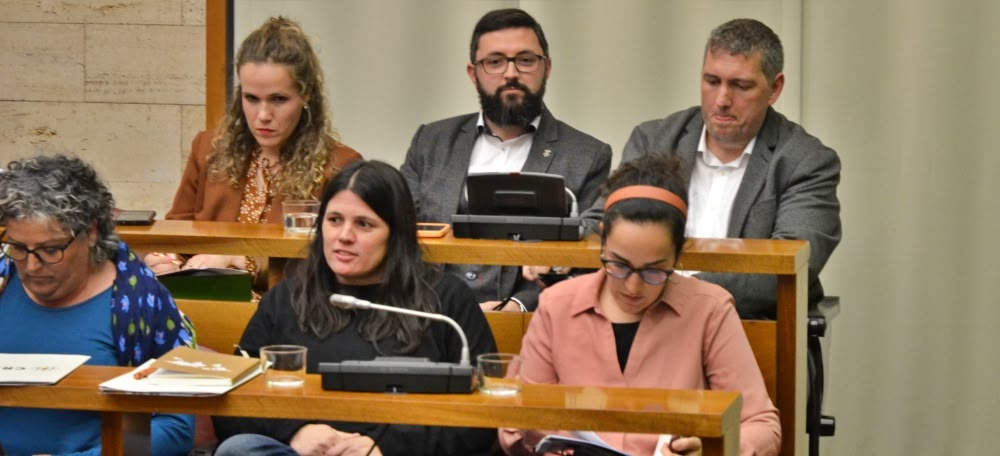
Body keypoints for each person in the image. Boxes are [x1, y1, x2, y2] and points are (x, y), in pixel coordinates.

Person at [212, 160, 498, 456]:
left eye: (364, 224)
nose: (344, 235)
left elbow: (481, 421)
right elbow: (233, 404)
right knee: (240, 449)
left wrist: (385, 447)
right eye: (334, 220)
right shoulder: (285, 298)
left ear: (395, 233)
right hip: (303, 452)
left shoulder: (446, 301)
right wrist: (295, 430)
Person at [500, 154, 780, 456]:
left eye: (654, 271)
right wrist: (543, 443)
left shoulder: (709, 309)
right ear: (602, 241)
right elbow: (518, 418)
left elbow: (762, 425)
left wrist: (713, 448)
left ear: (678, 255)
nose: (633, 287)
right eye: (618, 265)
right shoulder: (557, 305)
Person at [586, 18, 841, 319]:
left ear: (774, 88)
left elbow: (791, 266)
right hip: (641, 319)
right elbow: (603, 222)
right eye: (711, 81)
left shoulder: (805, 160)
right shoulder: (654, 140)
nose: (721, 100)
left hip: (745, 328)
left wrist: (673, 293)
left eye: (740, 86)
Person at [401, 8, 612, 312]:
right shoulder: (430, 142)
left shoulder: (588, 155)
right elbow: (397, 228)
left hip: (530, 322)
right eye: (495, 61)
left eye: (525, 60)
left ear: (547, 67)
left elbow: (593, 250)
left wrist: (519, 306)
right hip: (429, 316)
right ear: (473, 73)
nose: (511, 73)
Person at [0, 155, 197, 456]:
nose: (32, 265)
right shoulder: (3, 282)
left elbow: (175, 425)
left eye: (50, 250)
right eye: (17, 247)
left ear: (91, 231)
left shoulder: (141, 303)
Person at [146, 16, 362, 279]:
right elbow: (176, 233)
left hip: (287, 311)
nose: (263, 115)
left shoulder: (340, 166)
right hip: (205, 300)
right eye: (251, 98)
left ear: (306, 96)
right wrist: (166, 260)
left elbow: (337, 264)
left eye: (278, 99)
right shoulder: (207, 149)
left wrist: (242, 261)